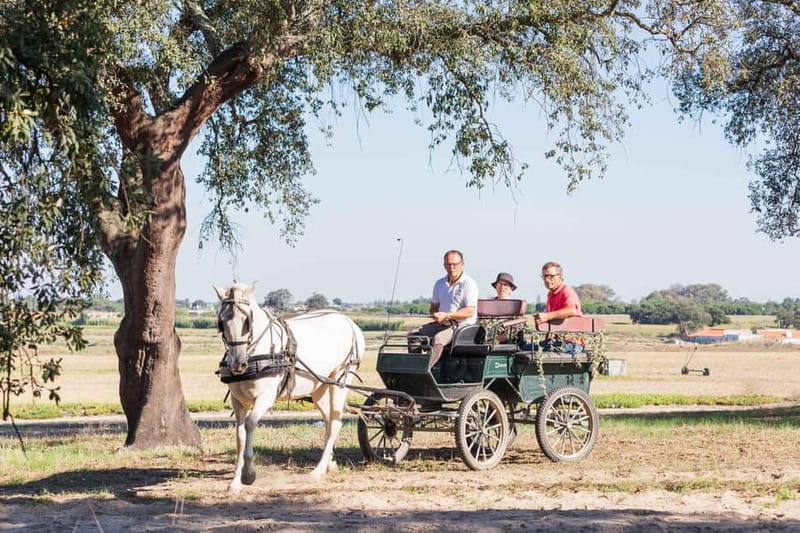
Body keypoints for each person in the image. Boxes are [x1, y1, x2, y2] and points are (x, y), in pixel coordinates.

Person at [408, 250, 478, 368]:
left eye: (455, 264)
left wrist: (447, 315)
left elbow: (470, 311)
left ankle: (427, 369)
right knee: (413, 336)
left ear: (462, 264)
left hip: (463, 325)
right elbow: (434, 307)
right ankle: (416, 367)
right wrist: (436, 315)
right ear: (444, 265)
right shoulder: (439, 283)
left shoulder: (468, 284)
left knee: (439, 338)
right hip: (442, 323)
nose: (452, 267)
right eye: (448, 264)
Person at [533, 261, 583, 353]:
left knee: (524, 349)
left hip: (571, 344)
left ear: (560, 277)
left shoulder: (566, 291)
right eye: (544, 277)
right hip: (557, 342)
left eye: (551, 276)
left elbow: (572, 310)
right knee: (524, 347)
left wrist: (547, 316)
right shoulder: (550, 295)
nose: (547, 280)